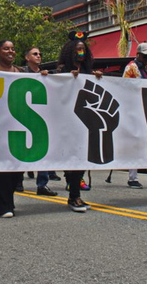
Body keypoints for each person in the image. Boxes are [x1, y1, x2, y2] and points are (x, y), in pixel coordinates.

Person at [57, 31, 102, 213]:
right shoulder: (61, 70)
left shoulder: (87, 72)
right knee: (72, 158)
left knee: (81, 158)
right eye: (77, 49)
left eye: (83, 49)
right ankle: (74, 195)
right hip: (67, 121)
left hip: (84, 121)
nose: (81, 51)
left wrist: (96, 76)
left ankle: (75, 193)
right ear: (70, 51)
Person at [0, 40, 24, 217]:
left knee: (17, 168)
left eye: (12, 48)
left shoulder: (22, 72)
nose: (10, 51)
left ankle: (9, 201)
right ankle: (2, 205)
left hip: (18, 125)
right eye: (6, 48)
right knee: (2, 168)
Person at [113, 42, 147, 189]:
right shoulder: (131, 67)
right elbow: (124, 87)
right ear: (138, 55)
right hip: (134, 107)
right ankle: (133, 177)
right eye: (145, 56)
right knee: (135, 142)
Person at [21, 46, 58, 196]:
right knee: (21, 150)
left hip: (42, 118)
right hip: (23, 117)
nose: (38, 56)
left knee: (43, 151)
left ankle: (42, 184)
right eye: (35, 54)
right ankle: (17, 182)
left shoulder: (47, 74)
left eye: (40, 54)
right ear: (27, 57)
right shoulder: (20, 72)